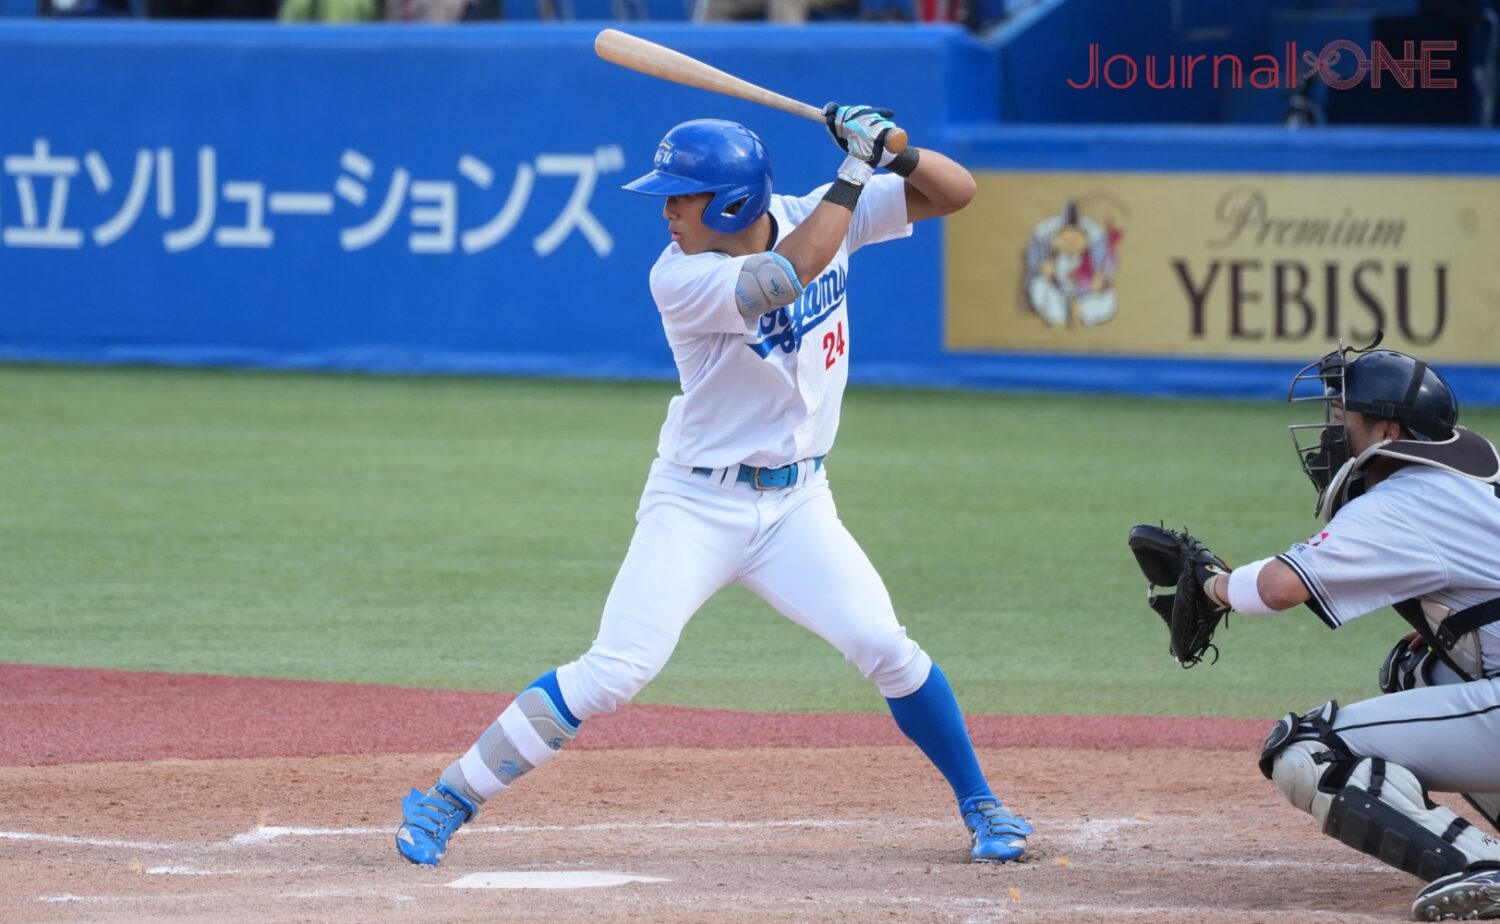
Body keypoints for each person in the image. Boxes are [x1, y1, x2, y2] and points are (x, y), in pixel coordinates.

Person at [393, 108, 1033, 868]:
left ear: (732, 203)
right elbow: (785, 274)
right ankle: (448, 798)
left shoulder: (817, 214)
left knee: (883, 646)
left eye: (681, 198)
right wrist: (856, 172)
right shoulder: (681, 276)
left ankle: (983, 805)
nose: (666, 213)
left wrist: (894, 146)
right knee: (616, 669)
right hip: (696, 504)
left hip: (798, 506)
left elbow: (955, 192)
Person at [1199, 338, 1500, 921]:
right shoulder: (1468, 483)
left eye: (1344, 419)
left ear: (1387, 433)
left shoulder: (1405, 498)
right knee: (1419, 667)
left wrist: (1213, 584)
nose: (1333, 433)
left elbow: (1278, 588)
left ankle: (1480, 866)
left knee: (1308, 749)